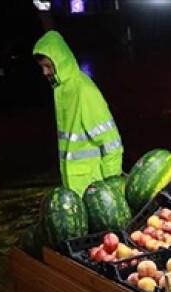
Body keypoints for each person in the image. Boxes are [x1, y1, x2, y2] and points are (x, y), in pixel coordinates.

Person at [33, 31, 123, 195]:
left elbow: (111, 143)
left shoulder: (84, 91)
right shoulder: (62, 90)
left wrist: (113, 186)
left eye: (48, 66)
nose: (45, 72)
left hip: (94, 186)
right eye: (42, 67)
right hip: (76, 184)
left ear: (59, 62)